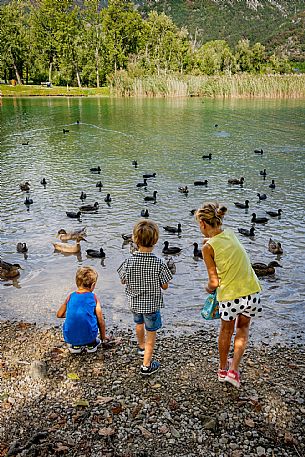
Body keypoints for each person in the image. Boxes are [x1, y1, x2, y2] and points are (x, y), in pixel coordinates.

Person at [195, 202, 262, 388]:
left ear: (202, 223)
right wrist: (207, 241)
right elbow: (222, 244)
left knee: (226, 330)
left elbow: (214, 282)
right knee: (242, 329)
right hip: (251, 290)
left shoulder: (207, 249)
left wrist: (208, 289)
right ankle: (234, 370)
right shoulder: (230, 233)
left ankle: (222, 369)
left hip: (231, 296)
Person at [118, 220, 172, 376]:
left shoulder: (129, 261)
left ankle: (141, 347)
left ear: (135, 240)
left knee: (138, 323)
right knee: (152, 333)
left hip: (134, 302)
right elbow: (165, 286)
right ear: (155, 240)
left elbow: (123, 280)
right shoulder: (160, 263)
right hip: (152, 305)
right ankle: (146, 365)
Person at [57, 266, 109, 353]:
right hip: (90, 336)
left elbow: (59, 315)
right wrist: (103, 337)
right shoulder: (94, 298)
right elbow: (101, 320)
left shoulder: (70, 296)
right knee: (94, 318)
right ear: (93, 285)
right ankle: (91, 345)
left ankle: (76, 347)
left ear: (77, 282)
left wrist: (71, 314)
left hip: (70, 337)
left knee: (74, 324)